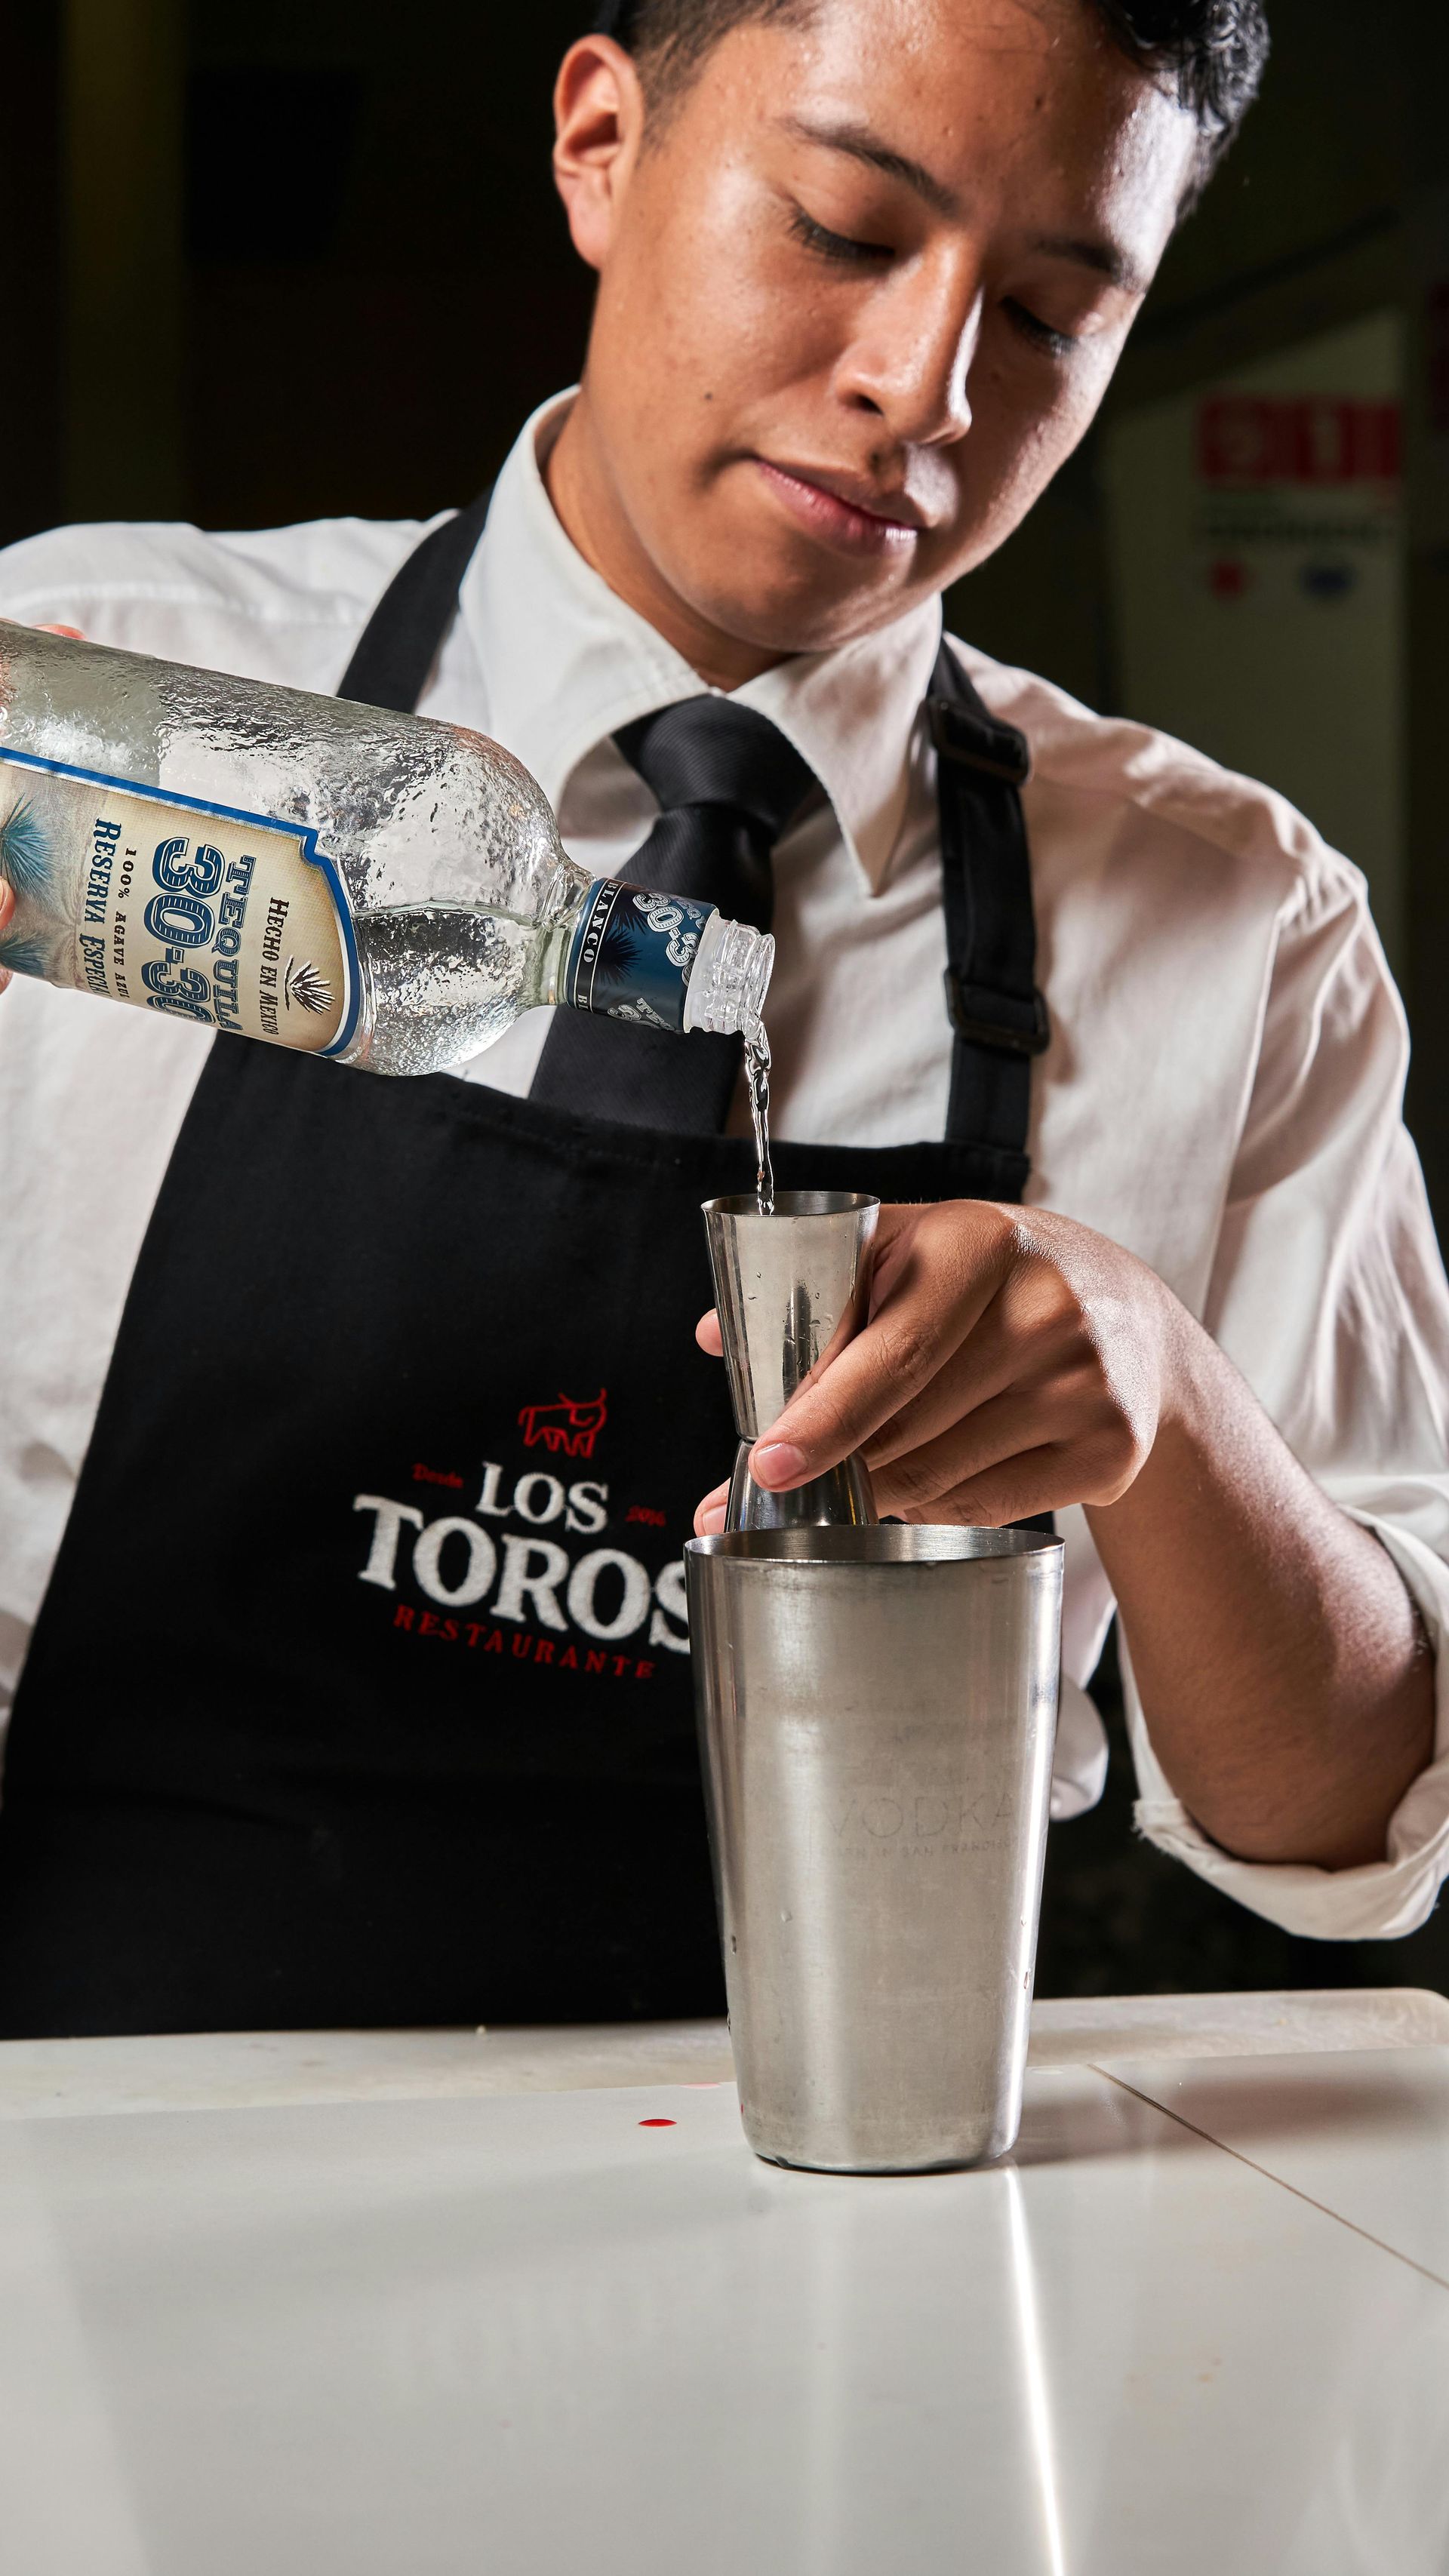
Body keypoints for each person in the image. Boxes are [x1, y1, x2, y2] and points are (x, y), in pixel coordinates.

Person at [0, 0, 1446, 2038]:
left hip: (848, 2224)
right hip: (90, 2190)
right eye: (852, 230)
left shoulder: (1236, 925)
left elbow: (1358, 1828)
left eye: (1043, 317)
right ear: (601, 145)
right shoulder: (93, 705)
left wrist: (1171, 1403)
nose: (919, 389)